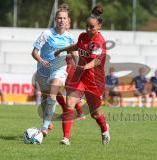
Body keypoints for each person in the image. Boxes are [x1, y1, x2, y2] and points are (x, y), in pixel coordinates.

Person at [55, 4, 110, 145]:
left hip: (94, 80)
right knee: (69, 104)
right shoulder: (83, 36)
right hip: (80, 76)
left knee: (95, 114)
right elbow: (77, 46)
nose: (88, 29)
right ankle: (66, 138)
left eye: (91, 27)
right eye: (86, 26)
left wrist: (84, 66)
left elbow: (97, 61)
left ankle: (104, 129)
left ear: (99, 27)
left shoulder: (99, 42)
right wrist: (62, 49)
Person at [31, 5, 74, 137]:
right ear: (55, 19)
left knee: (52, 94)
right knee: (45, 98)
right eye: (59, 18)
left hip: (59, 69)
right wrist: (41, 60)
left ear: (68, 20)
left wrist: (77, 65)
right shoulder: (46, 34)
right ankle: (48, 121)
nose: (62, 20)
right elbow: (34, 52)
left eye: (64, 18)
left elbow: (74, 53)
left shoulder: (70, 37)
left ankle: (43, 129)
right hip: (43, 70)